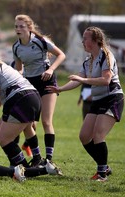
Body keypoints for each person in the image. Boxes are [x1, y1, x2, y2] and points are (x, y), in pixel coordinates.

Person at [46, 26, 124, 182]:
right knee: (84, 136)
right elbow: (77, 80)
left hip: (112, 98)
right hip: (98, 100)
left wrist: (83, 80)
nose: (82, 41)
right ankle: (104, 166)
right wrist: (59, 88)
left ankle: (101, 174)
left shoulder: (106, 55)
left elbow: (106, 80)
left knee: (98, 135)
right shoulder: (89, 61)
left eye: (85, 38)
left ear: (95, 40)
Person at [12, 14, 66, 165]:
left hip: (46, 81)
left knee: (46, 121)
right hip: (30, 84)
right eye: (16, 26)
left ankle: (48, 160)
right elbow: (19, 70)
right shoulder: (16, 47)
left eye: (21, 26)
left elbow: (61, 55)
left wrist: (51, 70)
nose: (18, 29)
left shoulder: (41, 41)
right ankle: (37, 158)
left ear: (29, 28)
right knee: (28, 123)